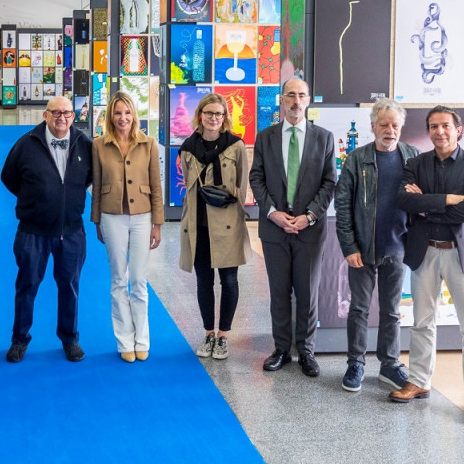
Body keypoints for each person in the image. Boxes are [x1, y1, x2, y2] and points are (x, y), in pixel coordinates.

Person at [390, 106, 464, 424]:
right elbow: (405, 201)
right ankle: (419, 381)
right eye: (433, 126)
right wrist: (449, 199)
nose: (439, 132)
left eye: (445, 126)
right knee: (422, 322)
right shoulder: (415, 165)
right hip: (426, 251)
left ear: (458, 129)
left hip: (461, 254)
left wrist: (429, 203)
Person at [249, 78, 336, 376]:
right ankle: (282, 349)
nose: (296, 101)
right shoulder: (265, 138)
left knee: (308, 293)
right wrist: (272, 212)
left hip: (309, 229)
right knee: (279, 292)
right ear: (282, 100)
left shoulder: (324, 138)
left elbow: (329, 182)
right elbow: (256, 179)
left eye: (301, 95)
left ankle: (307, 351)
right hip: (275, 229)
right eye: (290, 95)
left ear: (308, 100)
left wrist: (309, 215)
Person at [334, 99, 419, 393]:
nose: (390, 130)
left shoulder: (413, 157)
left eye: (395, 125)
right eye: (384, 124)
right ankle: (356, 363)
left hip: (398, 247)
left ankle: (389, 364)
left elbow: (422, 203)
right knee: (358, 309)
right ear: (373, 126)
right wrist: (349, 246)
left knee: (392, 311)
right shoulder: (356, 159)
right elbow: (342, 205)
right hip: (362, 249)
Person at [1, 96, 93, 363]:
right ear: (45, 115)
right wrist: (35, 200)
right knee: (27, 285)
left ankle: (70, 338)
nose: (61, 118)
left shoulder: (84, 144)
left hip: (72, 231)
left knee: (70, 287)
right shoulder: (26, 144)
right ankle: (19, 339)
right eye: (55, 113)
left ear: (73, 116)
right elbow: (9, 177)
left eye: (66, 113)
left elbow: (88, 177)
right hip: (33, 231)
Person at [92, 91, 164, 362]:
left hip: (143, 216)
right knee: (118, 280)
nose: (123, 118)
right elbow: (97, 186)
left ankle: (142, 339)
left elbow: (156, 186)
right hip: (112, 217)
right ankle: (124, 342)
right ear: (111, 115)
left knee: (138, 280)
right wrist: (96, 220)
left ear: (135, 114)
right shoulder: (99, 144)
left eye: (127, 112)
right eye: (117, 112)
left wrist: (158, 224)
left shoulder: (149, 144)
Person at [177, 93, 248, 361]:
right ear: (200, 116)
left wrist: (240, 214)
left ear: (225, 117)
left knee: (229, 280)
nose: (214, 118)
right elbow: (188, 184)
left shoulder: (236, 146)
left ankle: (223, 336)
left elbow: (242, 185)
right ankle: (208, 333)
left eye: (219, 114)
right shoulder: (187, 147)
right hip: (198, 223)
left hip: (228, 221)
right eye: (209, 113)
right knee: (204, 281)